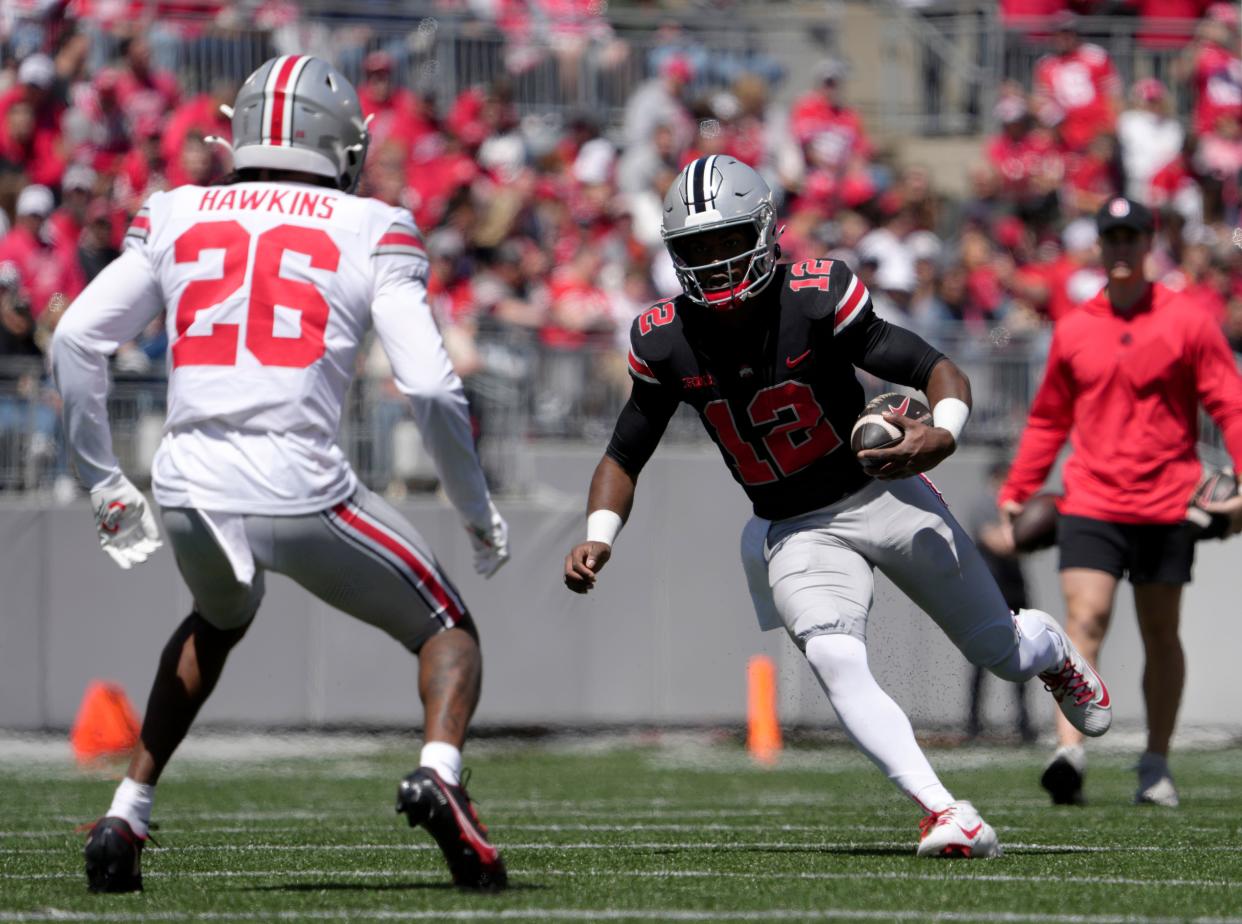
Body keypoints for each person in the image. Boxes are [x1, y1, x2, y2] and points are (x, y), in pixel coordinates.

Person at [563, 155, 1113, 858]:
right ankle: (946, 812)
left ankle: (1051, 651)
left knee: (999, 652)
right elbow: (624, 449)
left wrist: (943, 432)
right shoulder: (664, 339)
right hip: (794, 526)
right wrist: (599, 534)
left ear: (764, 234)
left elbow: (931, 366)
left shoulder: (816, 296)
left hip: (882, 492)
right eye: (696, 249)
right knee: (833, 655)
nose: (715, 263)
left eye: (726, 242)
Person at [52, 56, 510, 893]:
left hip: (186, 483)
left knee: (217, 617)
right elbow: (432, 385)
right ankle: (439, 774)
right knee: (448, 626)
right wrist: (475, 506)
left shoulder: (179, 210)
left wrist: (102, 482)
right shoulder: (375, 224)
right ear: (339, 143)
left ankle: (128, 810)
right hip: (300, 484)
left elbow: (77, 339)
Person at [998, 196, 1242, 808]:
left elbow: (1229, 403)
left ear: (1149, 244)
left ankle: (1155, 762)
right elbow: (1049, 417)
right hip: (1092, 497)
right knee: (1084, 619)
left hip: (1167, 499)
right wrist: (1017, 490)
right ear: (1100, 247)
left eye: (1133, 237)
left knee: (1162, 632)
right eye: (1113, 238)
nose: (1123, 248)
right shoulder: (1076, 327)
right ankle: (1069, 751)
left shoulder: (1187, 320)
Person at [965, 460, 1035, 743]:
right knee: (982, 657)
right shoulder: (984, 505)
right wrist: (1021, 535)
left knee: (1024, 653)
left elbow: (1026, 543)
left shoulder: (1017, 508)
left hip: (1015, 586)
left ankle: (1024, 723)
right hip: (989, 587)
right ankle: (973, 723)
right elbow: (1000, 543)